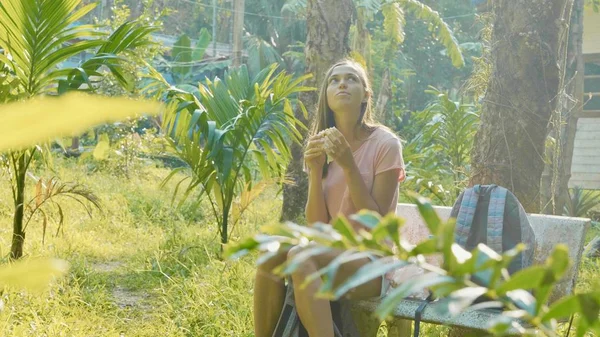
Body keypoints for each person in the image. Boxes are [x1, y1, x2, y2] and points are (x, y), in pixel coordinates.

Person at [253, 59, 405, 337]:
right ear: (326, 95)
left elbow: (377, 223)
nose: (342, 83)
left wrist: (348, 165)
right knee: (270, 253)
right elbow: (317, 228)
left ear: (366, 96)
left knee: (301, 257)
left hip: (372, 263)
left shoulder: (385, 144)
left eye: (351, 79)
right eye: (334, 80)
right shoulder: (322, 143)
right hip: (328, 253)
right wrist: (313, 171)